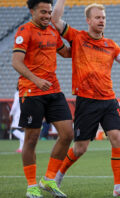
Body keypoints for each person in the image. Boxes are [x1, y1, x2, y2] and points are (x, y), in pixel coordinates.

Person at [51, 0, 120, 196]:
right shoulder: (77, 37)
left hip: (108, 99)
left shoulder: (111, 45)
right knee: (80, 148)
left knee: (117, 138)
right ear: (88, 20)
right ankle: (58, 176)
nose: (102, 21)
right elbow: (55, 19)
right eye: (98, 17)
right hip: (87, 100)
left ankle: (118, 187)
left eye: (104, 18)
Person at [11, 0, 74, 197]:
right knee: (31, 139)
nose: (47, 16)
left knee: (67, 134)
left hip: (53, 90)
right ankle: (31, 185)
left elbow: (66, 53)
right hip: (32, 90)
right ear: (32, 11)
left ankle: (48, 179)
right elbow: (16, 62)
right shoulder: (24, 31)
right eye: (43, 12)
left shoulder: (53, 31)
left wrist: (85, 41)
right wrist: (36, 80)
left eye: (49, 12)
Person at [9, 87, 25, 153]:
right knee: (22, 131)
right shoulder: (26, 93)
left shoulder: (18, 93)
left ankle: (26, 142)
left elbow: (15, 104)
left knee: (13, 130)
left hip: (18, 114)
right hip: (26, 114)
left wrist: (11, 113)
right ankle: (21, 149)